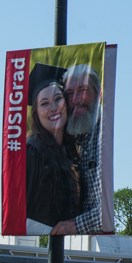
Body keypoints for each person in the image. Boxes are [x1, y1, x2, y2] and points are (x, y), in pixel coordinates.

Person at [25, 65, 82, 233]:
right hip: (41, 243)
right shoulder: (32, 151)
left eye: (58, 99)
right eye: (44, 104)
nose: (53, 107)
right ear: (37, 113)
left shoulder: (73, 151)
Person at [50, 63, 102, 235]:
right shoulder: (67, 135)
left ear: (99, 93)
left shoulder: (107, 135)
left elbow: (110, 208)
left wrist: (78, 225)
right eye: (69, 93)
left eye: (83, 90)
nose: (75, 99)